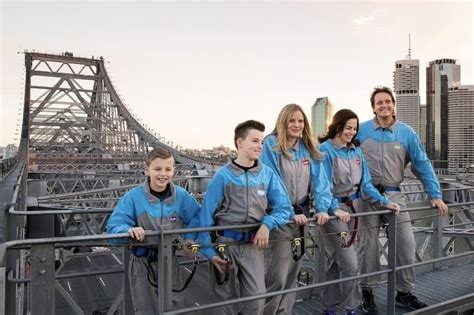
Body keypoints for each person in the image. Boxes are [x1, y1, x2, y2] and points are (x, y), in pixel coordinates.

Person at [356, 86, 448, 313]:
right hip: (366, 196)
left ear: (393, 104)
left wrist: (435, 194)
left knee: (406, 244)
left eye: (388, 101)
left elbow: (422, 164)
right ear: (373, 107)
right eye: (379, 102)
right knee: (367, 247)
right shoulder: (361, 131)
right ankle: (367, 292)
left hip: (394, 195)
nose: (384, 105)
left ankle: (404, 293)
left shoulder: (406, 133)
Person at [198, 119, 293, 314]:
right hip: (226, 245)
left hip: (253, 245)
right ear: (239, 143)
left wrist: (266, 225)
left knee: (256, 299)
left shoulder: (266, 175)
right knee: (224, 304)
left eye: (262, 142)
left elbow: (284, 208)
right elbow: (205, 217)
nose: (260, 146)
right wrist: (209, 252)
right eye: (255, 141)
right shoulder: (222, 176)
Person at [318, 109, 400, 315]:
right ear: (337, 126)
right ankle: (351, 307)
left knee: (338, 261)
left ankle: (329, 306)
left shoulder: (356, 151)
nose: (352, 132)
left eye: (354, 129)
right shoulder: (325, 151)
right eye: (348, 128)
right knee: (350, 262)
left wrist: (385, 202)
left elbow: (366, 185)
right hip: (334, 213)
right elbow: (321, 186)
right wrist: (333, 208)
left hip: (354, 212)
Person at [260, 103, 334, 315]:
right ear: (283, 121)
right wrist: (289, 212)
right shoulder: (271, 145)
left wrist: (322, 209)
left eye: (300, 121)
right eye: (292, 120)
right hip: (279, 218)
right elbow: (272, 182)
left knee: (293, 272)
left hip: (302, 219)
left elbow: (321, 182)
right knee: (277, 274)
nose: (296, 125)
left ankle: (284, 312)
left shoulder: (308, 148)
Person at [107, 148, 201, 314]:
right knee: (146, 309)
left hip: (170, 261)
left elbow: (198, 216)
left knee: (174, 307)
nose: (163, 174)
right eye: (157, 169)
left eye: (168, 169)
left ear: (174, 171)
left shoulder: (182, 196)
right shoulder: (132, 197)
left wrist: (189, 238)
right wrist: (129, 230)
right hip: (142, 262)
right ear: (147, 169)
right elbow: (114, 228)